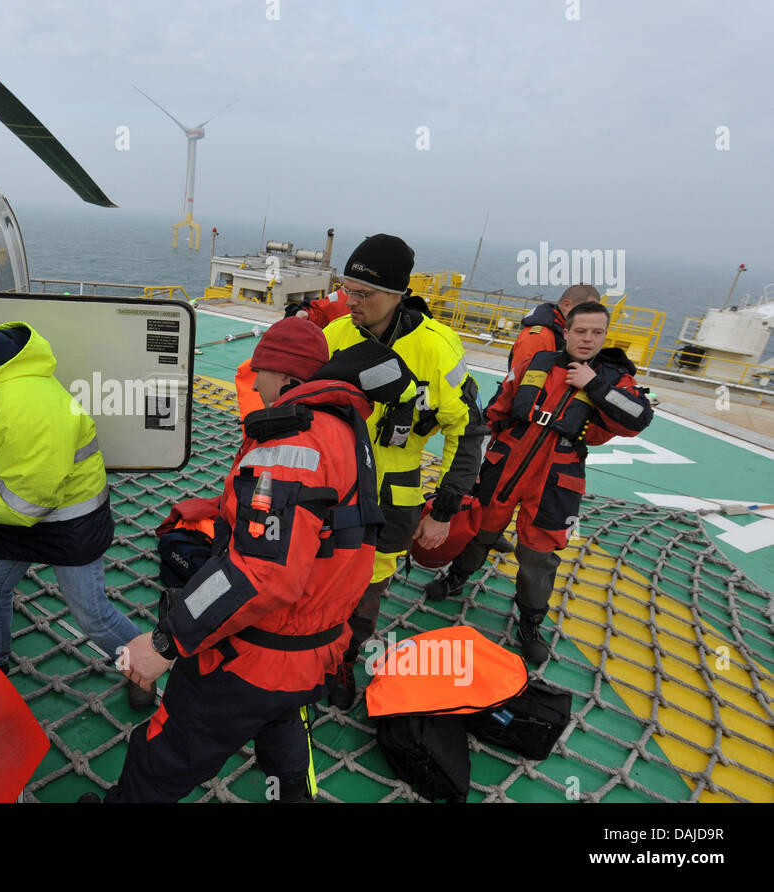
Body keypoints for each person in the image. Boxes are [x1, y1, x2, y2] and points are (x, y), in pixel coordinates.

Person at [100, 317, 385, 802]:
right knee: (283, 736)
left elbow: (260, 575)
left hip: (251, 658)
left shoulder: (289, 446)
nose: (253, 382)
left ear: (289, 379)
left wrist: (166, 641)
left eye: (262, 371)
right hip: (315, 650)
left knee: (163, 756)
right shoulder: (343, 429)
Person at [0, 295, 153, 708]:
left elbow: (24, 507)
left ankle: (143, 668)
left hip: (67, 521)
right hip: (23, 505)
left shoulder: (20, 408)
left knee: (91, 613)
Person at [422, 302, 654, 662]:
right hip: (507, 461)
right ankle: (457, 577)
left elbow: (638, 418)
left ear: (606, 336)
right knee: (480, 528)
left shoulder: (614, 380)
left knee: (539, 554)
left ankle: (530, 622)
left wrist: (594, 385)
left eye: (596, 332)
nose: (588, 339)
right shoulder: (538, 364)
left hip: (557, 476)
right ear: (566, 332)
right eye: (580, 331)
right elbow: (499, 406)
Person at [319, 234, 489, 708]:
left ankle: (342, 663)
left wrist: (445, 509)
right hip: (333, 486)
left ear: (398, 294)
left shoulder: (437, 348)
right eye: (346, 289)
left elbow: (468, 431)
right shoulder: (335, 336)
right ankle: (307, 656)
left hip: (394, 496)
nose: (350, 301)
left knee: (367, 591)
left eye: (363, 294)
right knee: (317, 576)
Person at [508, 283, 602, 375]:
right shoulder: (539, 337)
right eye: (587, 310)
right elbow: (519, 381)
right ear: (566, 305)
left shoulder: (560, 331)